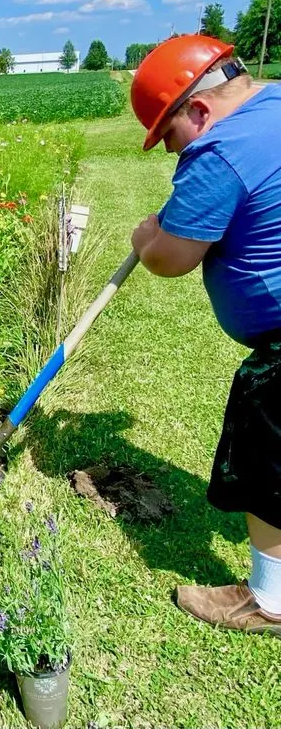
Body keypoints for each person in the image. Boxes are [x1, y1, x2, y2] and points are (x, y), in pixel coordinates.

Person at [130, 34, 281, 635]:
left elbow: (171, 258)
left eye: (169, 136)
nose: (174, 153)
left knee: (269, 465)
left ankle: (269, 600)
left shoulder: (219, 151)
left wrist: (147, 237)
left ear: (198, 110)